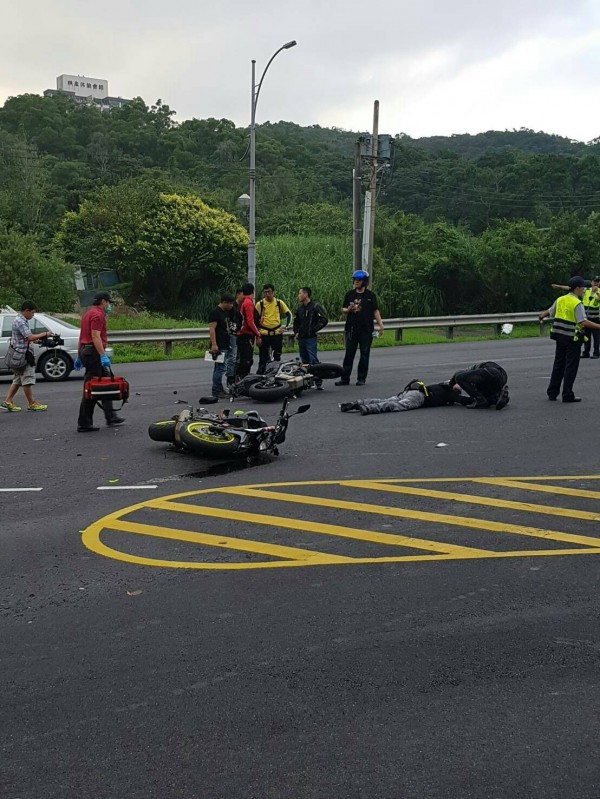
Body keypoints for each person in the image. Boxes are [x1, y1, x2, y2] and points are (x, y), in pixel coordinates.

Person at [539, 276, 600, 402]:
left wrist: (541, 316)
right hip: (572, 338)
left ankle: (552, 392)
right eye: (582, 287)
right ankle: (567, 394)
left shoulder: (561, 299)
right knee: (571, 366)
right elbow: (582, 321)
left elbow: (550, 311)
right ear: (577, 288)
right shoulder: (577, 303)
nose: (584, 290)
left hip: (560, 336)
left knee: (558, 364)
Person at [77, 291, 124, 432]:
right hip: (94, 352)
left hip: (87, 350)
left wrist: (79, 355)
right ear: (103, 302)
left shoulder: (88, 314)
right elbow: (95, 336)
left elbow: (82, 336)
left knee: (105, 383)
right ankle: (84, 422)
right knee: (92, 387)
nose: (109, 305)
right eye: (108, 302)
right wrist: (102, 355)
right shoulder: (98, 315)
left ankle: (111, 416)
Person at [335, 269, 384, 387]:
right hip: (351, 329)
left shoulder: (370, 296)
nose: (356, 282)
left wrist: (381, 325)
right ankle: (345, 378)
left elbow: (375, 311)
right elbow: (343, 309)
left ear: (364, 282)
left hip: (366, 330)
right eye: (355, 280)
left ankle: (361, 378)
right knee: (349, 354)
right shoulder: (349, 294)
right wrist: (348, 310)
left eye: (359, 280)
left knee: (364, 354)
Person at [0, 300, 49, 412]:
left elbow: (24, 339)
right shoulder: (20, 321)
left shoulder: (19, 320)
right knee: (27, 379)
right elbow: (29, 337)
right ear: (26, 310)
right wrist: (45, 334)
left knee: (17, 379)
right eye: (32, 312)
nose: (33, 315)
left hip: (19, 353)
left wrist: (37, 342)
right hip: (23, 356)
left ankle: (7, 401)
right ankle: (32, 403)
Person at [340, 379, 471, 415]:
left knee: (387, 400)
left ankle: (357, 402)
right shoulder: (452, 394)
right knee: (397, 406)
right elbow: (464, 401)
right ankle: (368, 409)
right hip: (419, 398)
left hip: (411, 390)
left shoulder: (442, 385)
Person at [293, 287, 329, 390]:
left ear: (306, 294)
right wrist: (296, 332)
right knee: (304, 360)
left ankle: (318, 380)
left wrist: (314, 329)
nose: (298, 296)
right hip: (302, 338)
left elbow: (324, 319)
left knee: (313, 359)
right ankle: (309, 380)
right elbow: (296, 322)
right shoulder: (299, 309)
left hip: (310, 338)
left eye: (300, 293)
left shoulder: (315, 306)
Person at [255, 284, 292, 374]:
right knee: (263, 356)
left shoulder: (279, 302)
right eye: (265, 292)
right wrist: (257, 335)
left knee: (277, 355)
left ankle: (276, 373)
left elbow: (289, 314)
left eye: (269, 292)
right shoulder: (260, 304)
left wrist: (286, 327)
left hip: (277, 333)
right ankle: (262, 373)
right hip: (264, 334)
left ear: (273, 292)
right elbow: (255, 319)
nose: (267, 294)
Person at [207, 293, 235, 398]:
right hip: (219, 344)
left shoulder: (225, 312)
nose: (231, 306)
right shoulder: (215, 313)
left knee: (219, 367)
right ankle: (216, 390)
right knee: (220, 369)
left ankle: (219, 389)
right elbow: (212, 329)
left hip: (224, 343)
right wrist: (214, 344)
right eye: (230, 304)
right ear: (224, 302)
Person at [235, 283, 262, 380]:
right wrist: (258, 334)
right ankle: (241, 381)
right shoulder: (248, 303)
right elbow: (250, 322)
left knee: (244, 360)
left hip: (242, 335)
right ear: (253, 291)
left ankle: (238, 380)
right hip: (245, 335)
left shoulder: (242, 301)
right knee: (246, 361)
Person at [225, 288, 243, 389]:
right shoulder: (232, 306)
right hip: (232, 333)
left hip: (239, 334)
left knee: (238, 358)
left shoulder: (242, 305)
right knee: (232, 357)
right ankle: (230, 379)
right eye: (242, 294)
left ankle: (237, 378)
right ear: (238, 294)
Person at [581, 277, 600, 358]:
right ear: (591, 282)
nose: (596, 283)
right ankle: (586, 352)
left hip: (596, 318)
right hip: (586, 318)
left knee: (596, 337)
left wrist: (597, 292)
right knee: (586, 336)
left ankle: (596, 353)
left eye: (598, 282)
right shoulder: (586, 290)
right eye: (595, 281)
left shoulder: (599, 291)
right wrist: (559, 286)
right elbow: (572, 288)